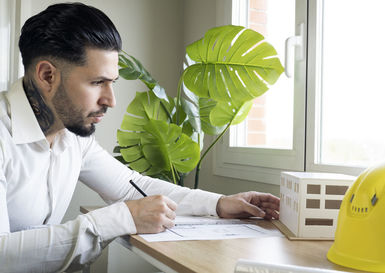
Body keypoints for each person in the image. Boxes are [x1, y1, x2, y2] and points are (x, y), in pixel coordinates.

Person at [0, 2, 280, 272]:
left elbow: (131, 187)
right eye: (97, 82)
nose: (111, 100)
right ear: (47, 75)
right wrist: (121, 218)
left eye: (112, 83)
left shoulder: (72, 135)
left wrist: (219, 204)